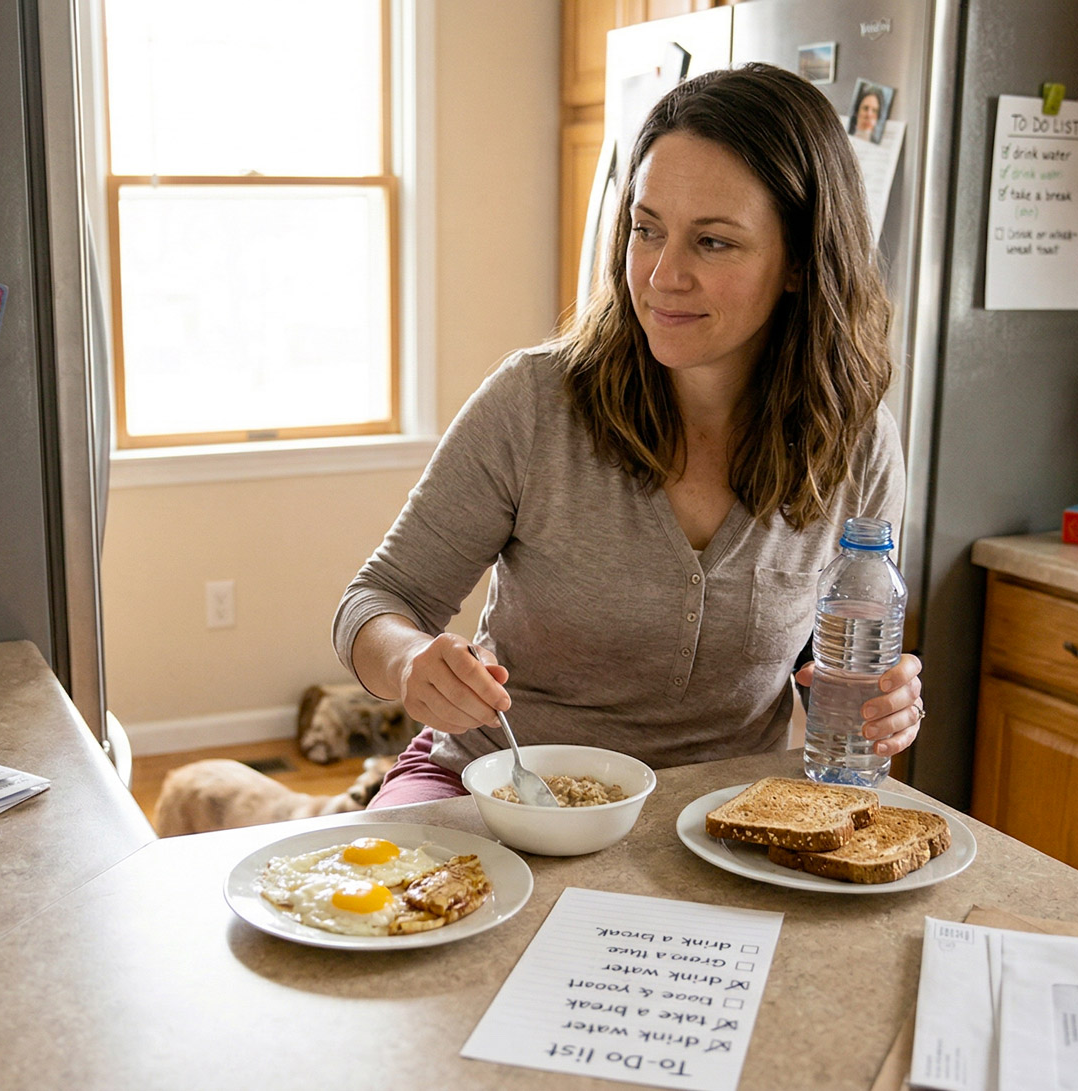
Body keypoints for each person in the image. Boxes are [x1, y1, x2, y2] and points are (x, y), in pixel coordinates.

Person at [335, 64, 925, 809]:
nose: (661, 275)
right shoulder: (534, 403)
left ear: (800, 265)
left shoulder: (859, 444)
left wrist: (886, 700)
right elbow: (377, 599)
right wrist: (413, 660)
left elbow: (840, 650)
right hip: (499, 787)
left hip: (726, 811)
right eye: (647, 230)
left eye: (712, 242)